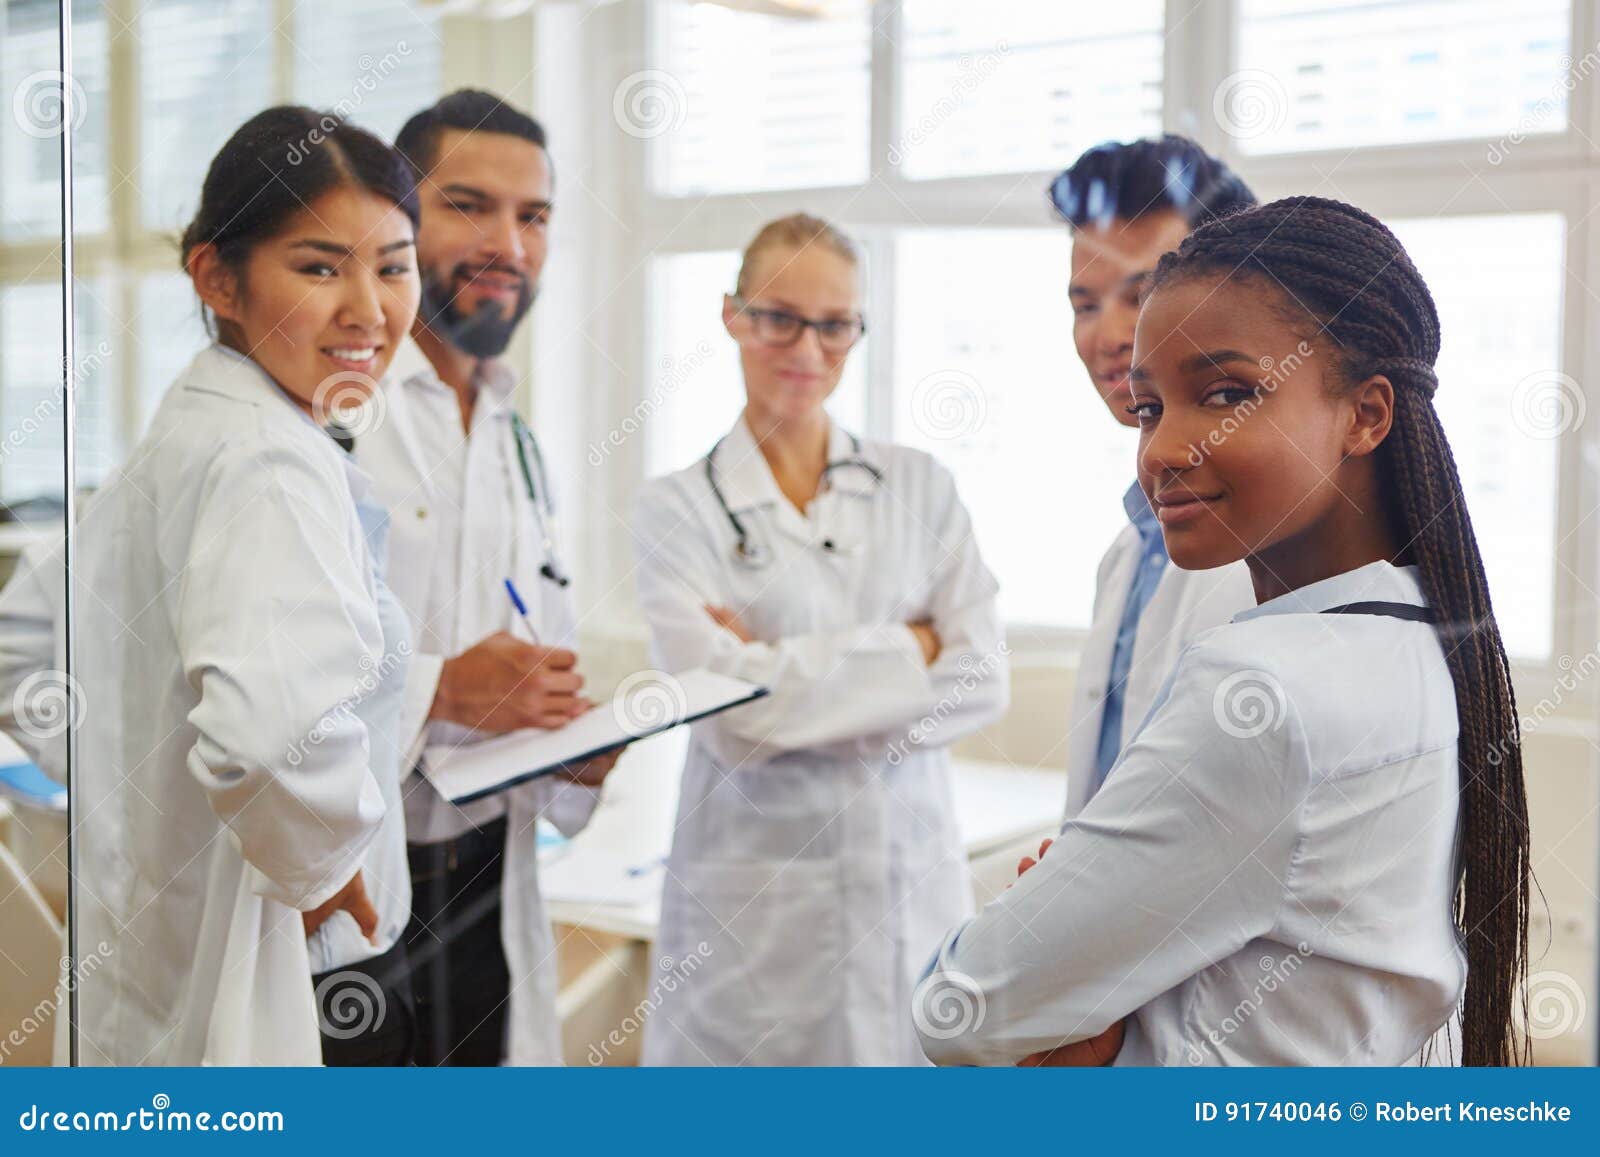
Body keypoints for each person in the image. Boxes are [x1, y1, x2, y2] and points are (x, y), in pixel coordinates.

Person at [916, 196, 1531, 1067]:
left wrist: (1093, 1023)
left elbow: (958, 1006)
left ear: (1367, 413)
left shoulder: (1266, 688)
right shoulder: (1422, 637)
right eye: (1148, 409)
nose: (1163, 449)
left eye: (1228, 394)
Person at [0, 107, 424, 1065]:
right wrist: (319, 863)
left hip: (159, 955)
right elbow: (273, 741)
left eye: (393, 266)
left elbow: (24, 636)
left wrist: (132, 786)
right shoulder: (266, 460)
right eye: (319, 267)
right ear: (217, 277)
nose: (368, 308)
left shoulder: (196, 430)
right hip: (299, 970)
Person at [631, 214, 1010, 1066]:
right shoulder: (674, 508)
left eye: (834, 323)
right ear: (732, 315)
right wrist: (911, 647)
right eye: (778, 316)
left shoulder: (921, 484)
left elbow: (982, 677)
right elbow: (726, 714)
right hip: (755, 918)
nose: (806, 347)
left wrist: (771, 673)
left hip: (908, 893)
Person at [355, 90, 617, 1067]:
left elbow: (534, 655)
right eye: (469, 205)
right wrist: (439, 688)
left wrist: (580, 747)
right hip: (351, 884)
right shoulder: (334, 415)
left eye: (533, 215)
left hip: (487, 882)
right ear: (399, 218)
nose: (507, 241)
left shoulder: (520, 444)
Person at [1050, 136, 1258, 822]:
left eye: (1140, 294)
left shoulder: (1274, 553)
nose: (1107, 334)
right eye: (1085, 304)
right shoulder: (1131, 544)